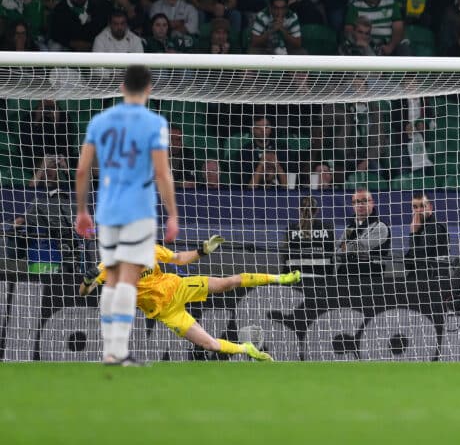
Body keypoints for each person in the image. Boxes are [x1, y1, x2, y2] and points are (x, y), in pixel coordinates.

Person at [73, 66, 179, 366]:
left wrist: (82, 211)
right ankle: (117, 352)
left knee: (111, 278)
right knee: (128, 280)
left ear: (121, 87)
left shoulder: (100, 121)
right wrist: (172, 214)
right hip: (138, 211)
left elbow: (82, 170)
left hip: (106, 210)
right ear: (149, 89)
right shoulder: (154, 122)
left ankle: (110, 350)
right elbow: (161, 172)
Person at [80, 240, 300, 361]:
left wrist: (202, 251)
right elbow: (84, 291)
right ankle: (247, 349)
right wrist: (88, 279)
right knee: (210, 345)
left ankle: (280, 277)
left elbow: (179, 259)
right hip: (166, 313)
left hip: (178, 288)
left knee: (226, 283)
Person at [337, 189, 391, 274]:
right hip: (345, 276)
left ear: (372, 203)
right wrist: (346, 248)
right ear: (353, 205)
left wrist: (346, 248)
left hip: (369, 279)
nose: (360, 205)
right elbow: (338, 248)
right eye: (356, 202)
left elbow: (360, 247)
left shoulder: (380, 227)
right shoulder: (350, 227)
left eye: (364, 201)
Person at [404, 192, 450, 268]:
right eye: (415, 207)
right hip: (420, 276)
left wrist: (413, 233)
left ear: (430, 207)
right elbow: (408, 264)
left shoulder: (436, 227)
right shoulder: (420, 227)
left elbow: (419, 258)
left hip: (433, 277)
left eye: (422, 206)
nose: (418, 210)